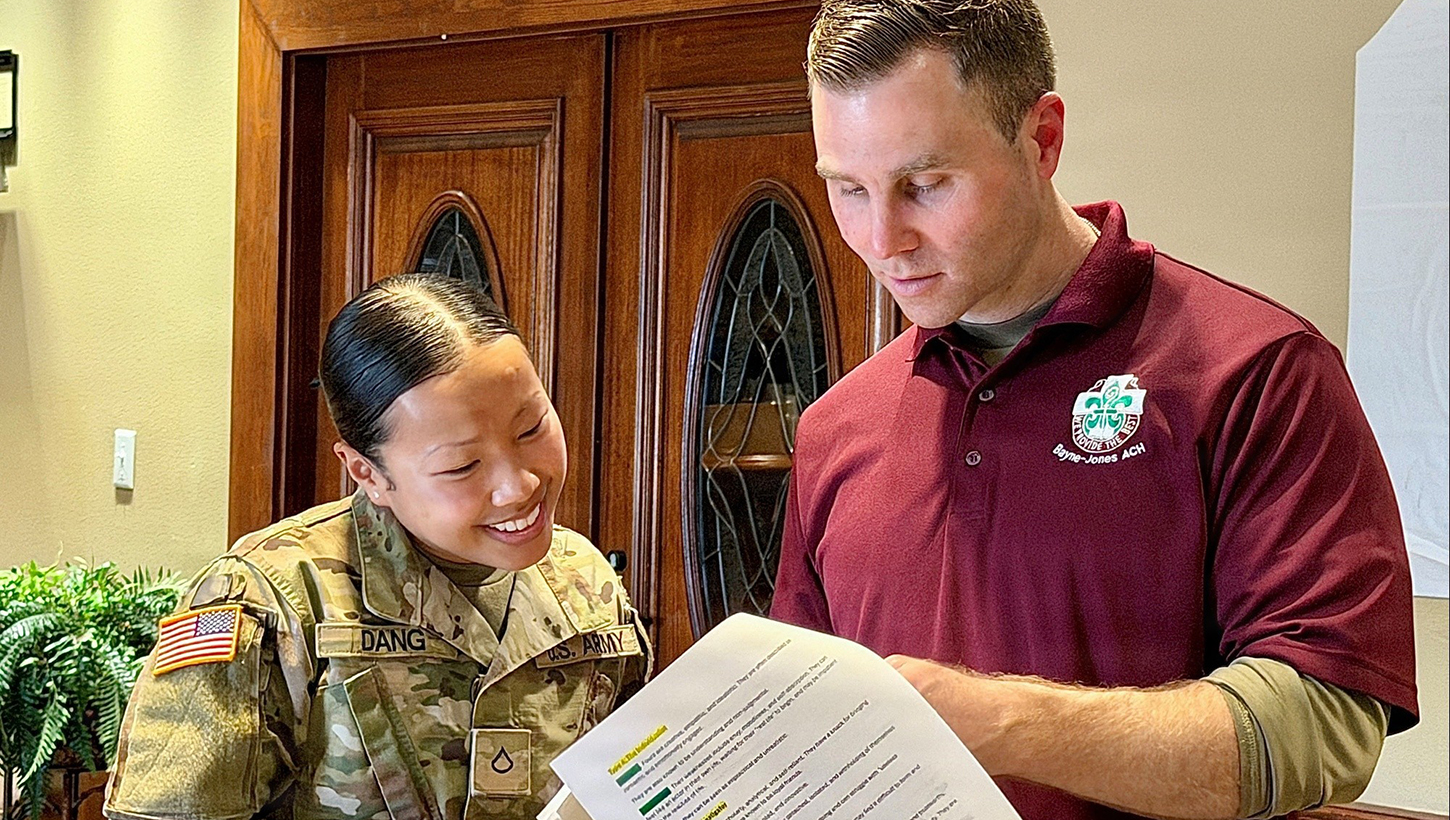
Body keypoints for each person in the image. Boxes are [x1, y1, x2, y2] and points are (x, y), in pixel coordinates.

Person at [770, 2, 1418, 819]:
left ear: (1042, 138)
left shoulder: (1256, 371)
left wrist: (1004, 722)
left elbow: (1328, 725)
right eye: (849, 190)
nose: (882, 238)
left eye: (926, 185)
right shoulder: (835, 427)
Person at [104, 274, 650, 820]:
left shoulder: (584, 584)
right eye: (462, 465)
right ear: (367, 472)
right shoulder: (276, 599)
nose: (521, 485)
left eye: (531, 428)